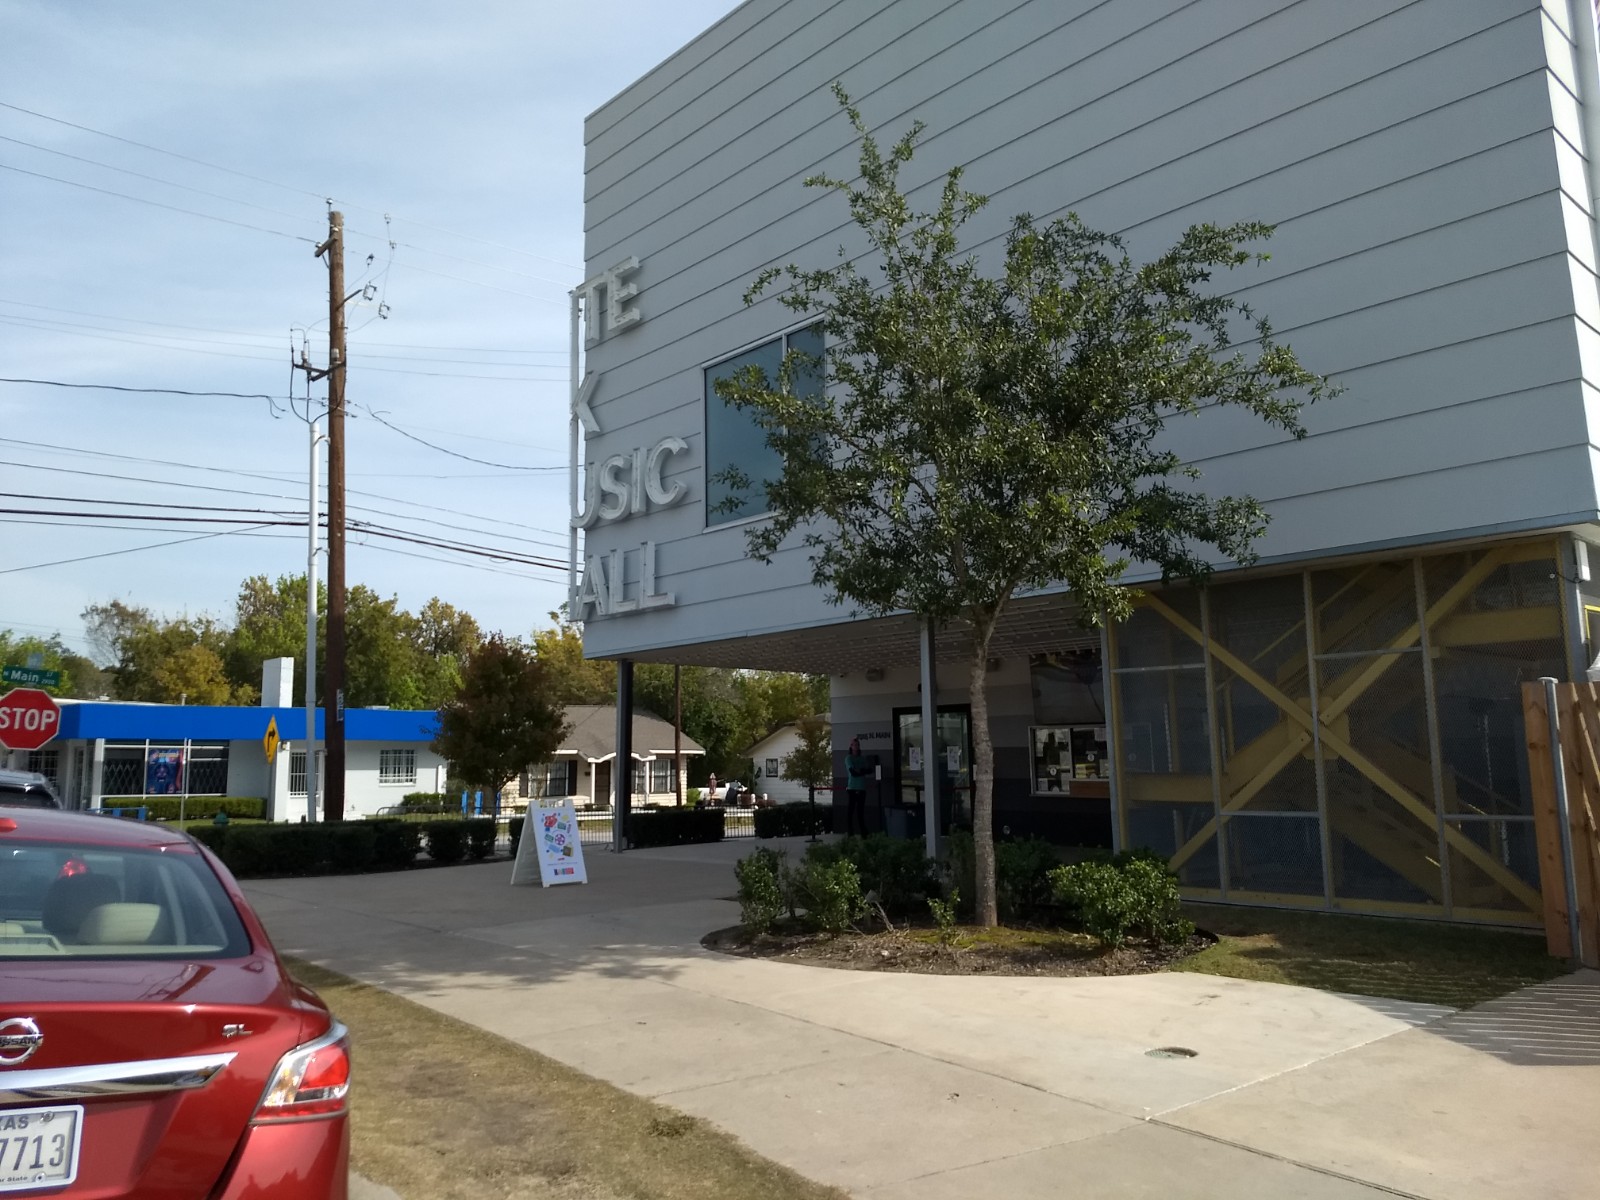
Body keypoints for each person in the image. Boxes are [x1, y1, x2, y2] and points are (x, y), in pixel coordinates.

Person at [845, 737, 870, 836]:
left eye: (857, 745)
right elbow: (853, 772)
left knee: (860, 811)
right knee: (850, 811)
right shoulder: (848, 758)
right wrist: (861, 771)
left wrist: (860, 771)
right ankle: (850, 832)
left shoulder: (862, 759)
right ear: (851, 747)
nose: (856, 747)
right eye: (854, 745)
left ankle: (863, 832)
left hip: (862, 788)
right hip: (852, 788)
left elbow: (869, 770)